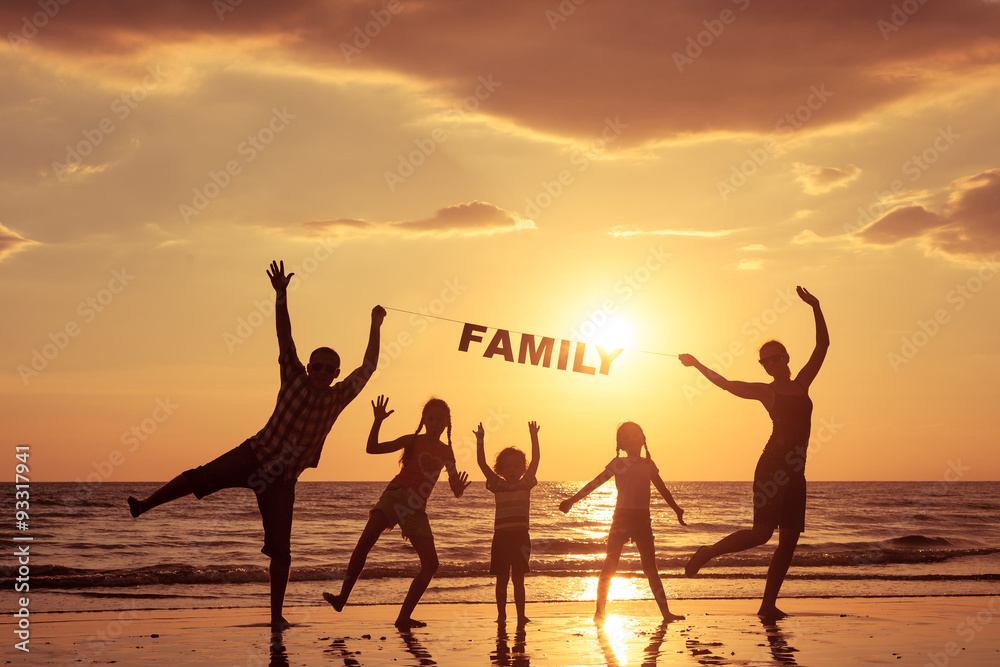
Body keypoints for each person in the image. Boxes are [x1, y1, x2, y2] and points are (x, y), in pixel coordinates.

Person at [127, 260, 385, 632]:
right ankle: (145, 505)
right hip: (254, 454)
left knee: (281, 550)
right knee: (200, 477)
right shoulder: (293, 376)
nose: (323, 372)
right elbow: (285, 338)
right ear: (309, 366)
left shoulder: (338, 397)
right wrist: (281, 295)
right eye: (319, 366)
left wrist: (375, 325)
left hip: (281, 480)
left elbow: (370, 365)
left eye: (331, 369)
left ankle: (275, 616)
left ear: (336, 375)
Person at [679, 285, 828, 619]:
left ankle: (767, 605)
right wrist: (697, 364)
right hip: (772, 467)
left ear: (786, 358)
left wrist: (815, 306)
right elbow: (728, 385)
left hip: (796, 472)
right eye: (765, 361)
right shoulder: (767, 392)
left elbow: (822, 346)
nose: (771, 363)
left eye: (776, 357)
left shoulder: (803, 384)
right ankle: (708, 552)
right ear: (764, 367)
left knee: (788, 541)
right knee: (762, 534)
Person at [323, 395, 471, 628]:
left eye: (439, 420)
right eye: (430, 419)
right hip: (395, 494)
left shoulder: (447, 453)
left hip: (416, 506)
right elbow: (372, 448)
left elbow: (455, 490)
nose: (434, 424)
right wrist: (378, 421)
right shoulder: (411, 440)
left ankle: (403, 617)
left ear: (446, 423)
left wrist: (460, 487)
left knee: (431, 565)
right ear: (424, 420)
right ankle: (342, 598)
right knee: (364, 543)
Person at [559, 422, 686, 625]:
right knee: (609, 566)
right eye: (626, 437)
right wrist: (572, 501)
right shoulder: (619, 464)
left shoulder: (648, 465)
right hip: (622, 518)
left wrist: (677, 509)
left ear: (643, 439)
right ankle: (599, 612)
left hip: (643, 520)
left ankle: (666, 613)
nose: (632, 439)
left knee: (650, 568)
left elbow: (663, 490)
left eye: (635, 435)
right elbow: (595, 483)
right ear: (620, 444)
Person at [476, 420, 540, 626]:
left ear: (523, 468)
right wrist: (480, 441)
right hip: (501, 538)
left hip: (521, 537)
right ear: (501, 470)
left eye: (517, 466)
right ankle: (501, 615)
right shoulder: (497, 484)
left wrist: (533, 436)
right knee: (502, 579)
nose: (512, 470)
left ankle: (521, 616)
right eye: (507, 467)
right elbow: (482, 464)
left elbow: (537, 458)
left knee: (519, 580)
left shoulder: (526, 483)